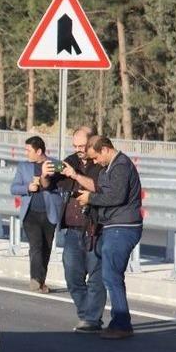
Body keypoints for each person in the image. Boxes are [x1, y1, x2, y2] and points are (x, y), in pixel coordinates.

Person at [76, 136, 143, 340]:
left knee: (112, 276)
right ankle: (120, 321)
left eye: (96, 158)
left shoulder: (121, 166)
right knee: (111, 275)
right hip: (113, 225)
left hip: (122, 227)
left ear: (105, 149)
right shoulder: (109, 168)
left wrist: (91, 198)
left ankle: (121, 324)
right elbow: (107, 192)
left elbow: (116, 197)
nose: (95, 162)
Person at [44, 127, 106, 333]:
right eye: (76, 146)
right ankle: (86, 314)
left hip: (95, 229)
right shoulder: (69, 160)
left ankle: (91, 319)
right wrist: (45, 174)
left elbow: (99, 188)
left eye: (83, 146)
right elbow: (48, 185)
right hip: (72, 230)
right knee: (72, 276)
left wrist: (75, 175)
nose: (79, 150)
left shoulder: (101, 163)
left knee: (97, 278)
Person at [10, 136, 64, 293]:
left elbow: (63, 183)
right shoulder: (23, 167)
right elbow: (13, 188)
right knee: (36, 246)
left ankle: (41, 281)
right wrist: (28, 187)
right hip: (30, 214)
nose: (26, 153)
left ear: (39, 151)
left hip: (50, 213)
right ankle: (35, 280)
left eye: (28, 150)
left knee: (46, 248)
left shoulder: (55, 165)